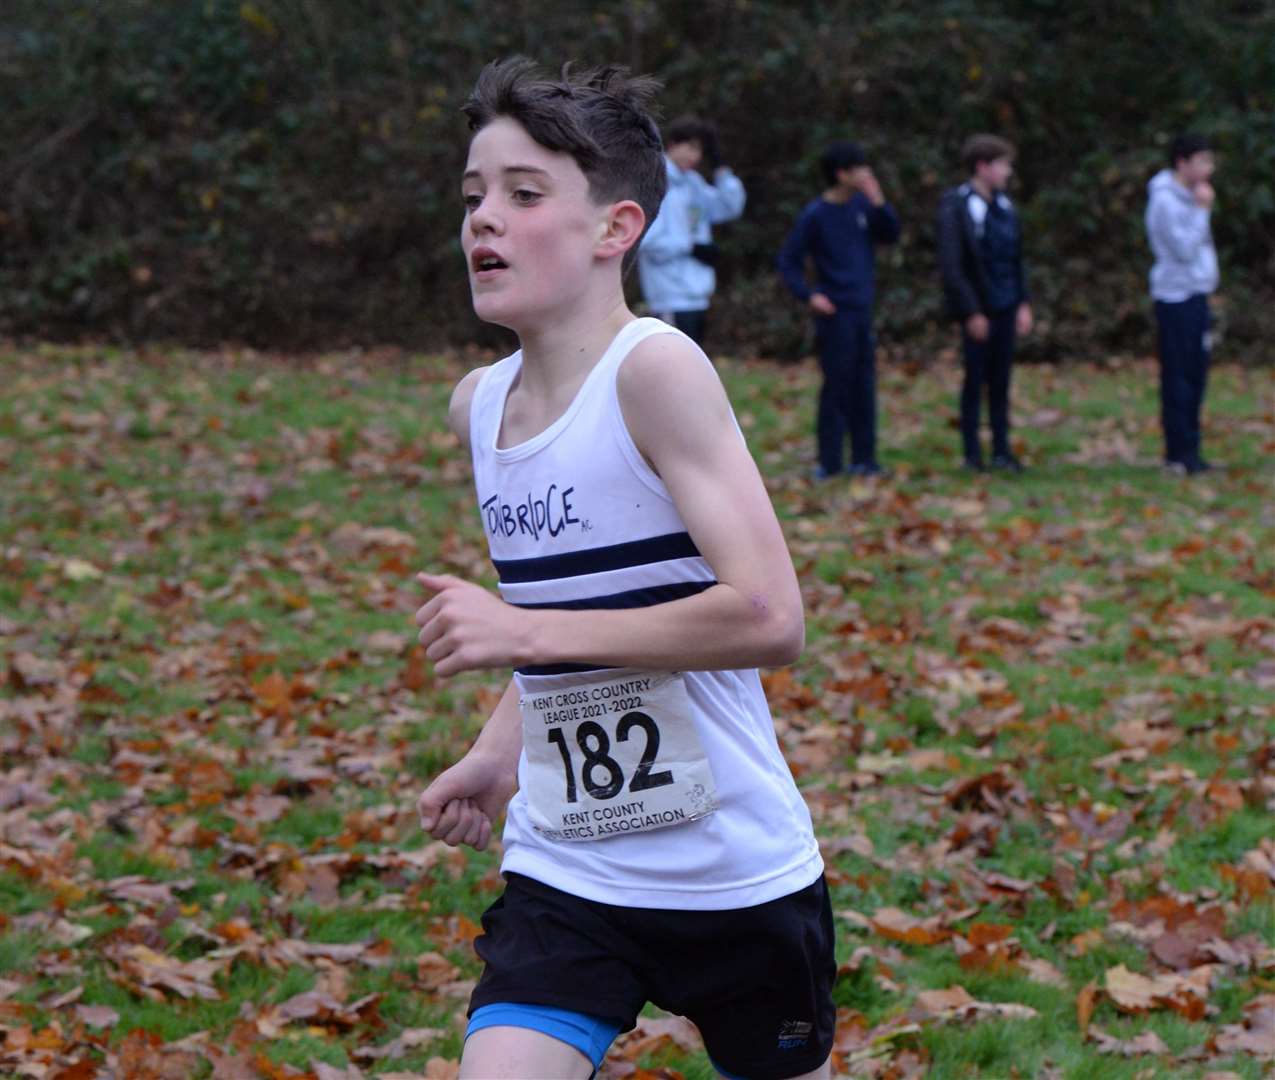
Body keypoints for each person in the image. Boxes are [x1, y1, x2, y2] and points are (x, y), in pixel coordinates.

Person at [414, 57, 834, 1080]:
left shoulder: (655, 370)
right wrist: (500, 743)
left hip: (734, 876)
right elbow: (572, 608)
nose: (484, 221)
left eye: (523, 195)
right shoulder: (478, 406)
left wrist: (523, 637)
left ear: (617, 229)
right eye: (473, 198)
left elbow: (772, 618)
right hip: (567, 863)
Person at [777, 140, 900, 479]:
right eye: (860, 168)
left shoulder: (864, 206)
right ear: (842, 174)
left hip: (863, 309)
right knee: (836, 385)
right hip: (835, 314)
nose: (867, 173)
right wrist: (810, 295)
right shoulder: (816, 214)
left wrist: (879, 201)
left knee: (865, 384)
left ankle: (865, 458)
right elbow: (788, 261)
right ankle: (830, 462)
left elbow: (891, 234)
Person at [936, 134, 1033, 473]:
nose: (1008, 171)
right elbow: (952, 264)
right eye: (1003, 164)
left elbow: (1017, 257)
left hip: (1006, 304)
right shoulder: (957, 206)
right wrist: (971, 311)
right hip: (978, 309)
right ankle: (972, 453)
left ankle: (1002, 450)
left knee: (1002, 381)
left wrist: (1023, 302)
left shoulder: (1006, 207)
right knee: (975, 381)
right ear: (982, 166)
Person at [637, 115, 746, 347]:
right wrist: (691, 247)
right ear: (673, 144)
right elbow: (647, 241)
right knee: (671, 373)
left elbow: (728, 206)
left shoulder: (692, 182)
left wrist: (721, 168)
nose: (695, 156)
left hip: (697, 294)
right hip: (669, 295)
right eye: (691, 147)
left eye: (701, 151)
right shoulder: (657, 182)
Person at [1145, 132, 1219, 475]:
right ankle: (1177, 454)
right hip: (1175, 298)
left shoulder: (1191, 196)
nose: (1209, 168)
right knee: (1178, 377)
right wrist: (1202, 211)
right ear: (1182, 163)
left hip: (1197, 293)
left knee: (1197, 374)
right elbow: (1184, 249)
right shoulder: (1164, 201)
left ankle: (1193, 450)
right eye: (1202, 161)